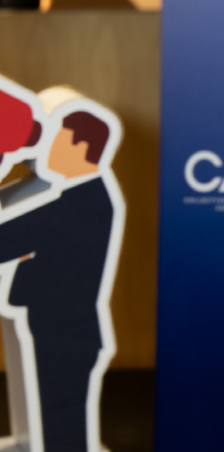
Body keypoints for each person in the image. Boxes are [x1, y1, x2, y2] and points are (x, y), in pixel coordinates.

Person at [0, 88, 125, 452]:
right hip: (60, 327)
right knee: (51, 415)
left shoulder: (79, 203)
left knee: (61, 421)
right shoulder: (79, 197)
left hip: (66, 332)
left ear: (82, 148)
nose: (47, 149)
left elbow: (10, 238)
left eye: (57, 141)